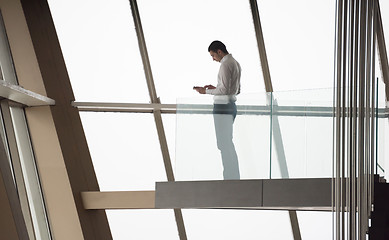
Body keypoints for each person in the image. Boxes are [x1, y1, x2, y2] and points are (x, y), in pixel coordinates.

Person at [193, 40, 241, 180]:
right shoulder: (236, 63)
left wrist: (206, 92)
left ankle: (230, 177)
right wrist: (216, 88)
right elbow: (235, 90)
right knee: (227, 142)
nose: (213, 59)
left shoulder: (225, 65)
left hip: (222, 107)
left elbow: (225, 90)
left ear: (219, 52)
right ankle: (233, 176)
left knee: (223, 143)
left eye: (213, 55)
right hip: (231, 105)